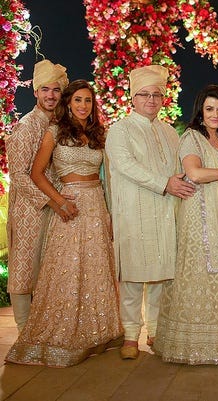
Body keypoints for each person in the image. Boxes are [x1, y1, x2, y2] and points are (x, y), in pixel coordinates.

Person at [5, 80, 123, 367]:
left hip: (96, 204)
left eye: (88, 101)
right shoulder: (55, 132)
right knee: (67, 269)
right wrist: (58, 201)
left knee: (95, 269)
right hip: (70, 204)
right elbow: (36, 173)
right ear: (68, 103)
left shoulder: (97, 134)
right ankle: (62, 334)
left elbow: (107, 178)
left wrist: (109, 214)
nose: (83, 105)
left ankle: (97, 333)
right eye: (78, 100)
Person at [153, 85, 218, 364]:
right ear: (200, 111)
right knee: (198, 273)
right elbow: (194, 173)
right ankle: (190, 345)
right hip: (198, 217)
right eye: (209, 109)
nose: (215, 114)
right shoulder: (192, 138)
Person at [105, 65, 196, 360]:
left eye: (156, 94)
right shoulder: (120, 130)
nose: (151, 100)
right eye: (144, 94)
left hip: (165, 210)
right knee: (133, 276)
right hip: (134, 211)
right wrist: (164, 183)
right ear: (133, 98)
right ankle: (131, 335)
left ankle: (156, 331)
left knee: (160, 274)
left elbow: (179, 168)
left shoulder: (169, 131)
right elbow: (125, 166)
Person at [5, 60, 68, 332]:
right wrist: (50, 201)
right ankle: (23, 331)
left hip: (55, 208)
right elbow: (19, 175)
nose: (50, 95)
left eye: (56, 90)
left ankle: (43, 330)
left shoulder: (60, 125)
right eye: (45, 89)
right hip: (29, 209)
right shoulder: (27, 126)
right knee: (24, 268)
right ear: (35, 92)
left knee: (48, 269)